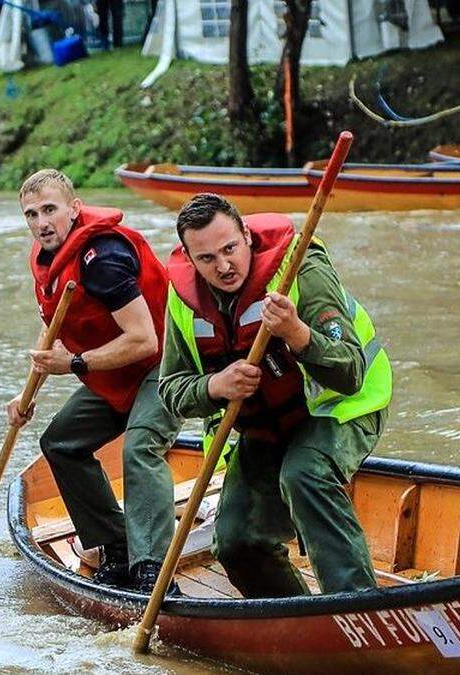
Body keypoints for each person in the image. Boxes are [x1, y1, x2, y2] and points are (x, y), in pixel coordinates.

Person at [158, 193, 393, 598]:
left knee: (305, 474)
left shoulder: (302, 267)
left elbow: (350, 371)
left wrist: (297, 333)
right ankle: (297, 620)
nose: (224, 265)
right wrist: (214, 386)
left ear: (246, 235)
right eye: (207, 258)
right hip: (265, 427)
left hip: (340, 408)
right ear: (190, 258)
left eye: (230, 248)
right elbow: (171, 389)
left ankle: (355, 605)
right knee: (235, 541)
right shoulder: (182, 299)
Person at [10, 169, 181, 592]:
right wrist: (25, 392)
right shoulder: (48, 257)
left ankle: (151, 568)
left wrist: (76, 364)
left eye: (50, 210)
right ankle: (116, 545)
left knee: (140, 447)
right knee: (60, 443)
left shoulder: (103, 258)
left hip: (165, 364)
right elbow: (52, 331)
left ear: (74, 208)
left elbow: (144, 340)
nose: (42, 223)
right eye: (32, 214)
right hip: (112, 369)